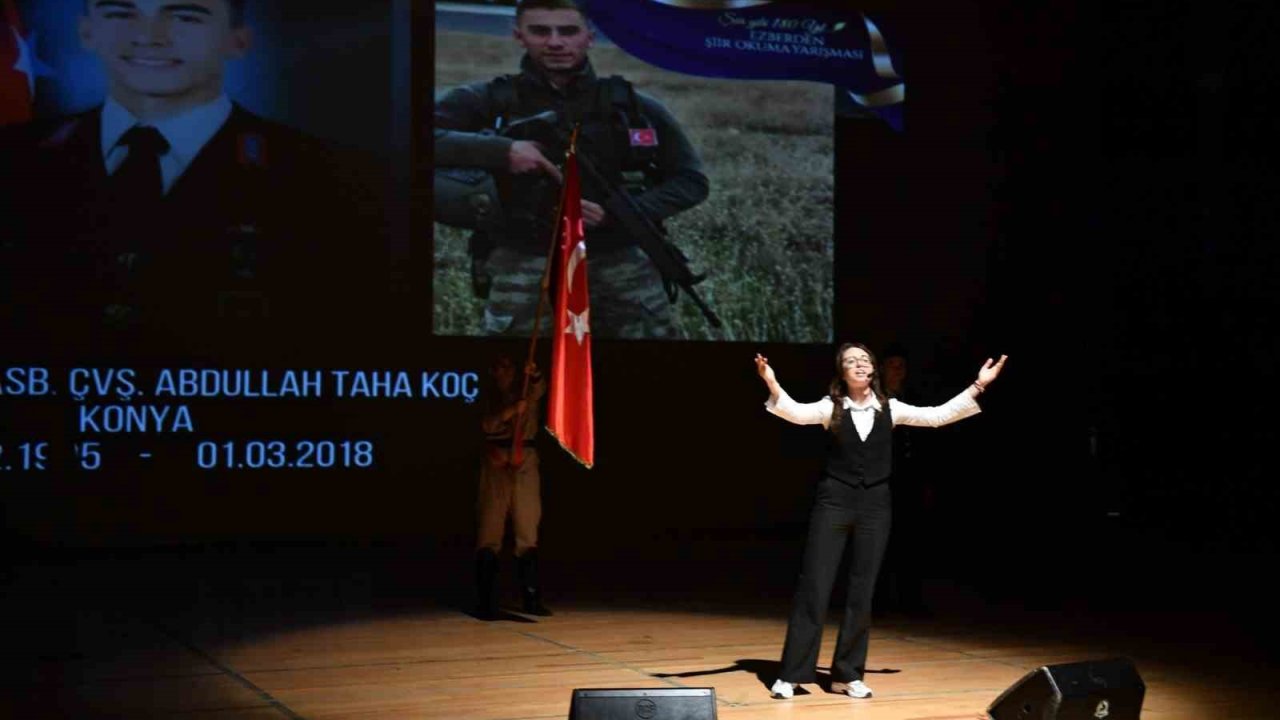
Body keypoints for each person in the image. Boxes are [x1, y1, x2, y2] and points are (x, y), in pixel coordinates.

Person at [0, 0, 380, 354]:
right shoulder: (13, 158)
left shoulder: (326, 174)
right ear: (87, 32)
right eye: (121, 13)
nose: (149, 37)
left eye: (185, 16)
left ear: (238, 40)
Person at [434, 0, 710, 339]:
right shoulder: (486, 99)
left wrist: (616, 214)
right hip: (523, 259)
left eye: (568, 31)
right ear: (519, 35)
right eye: (540, 31)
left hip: (620, 262)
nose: (555, 42)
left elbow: (692, 181)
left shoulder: (633, 105)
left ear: (589, 36)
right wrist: (502, 151)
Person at [754, 344, 1007, 699]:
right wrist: (772, 382)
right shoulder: (832, 408)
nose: (859, 364)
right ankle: (793, 673)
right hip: (834, 502)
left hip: (875, 504)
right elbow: (794, 412)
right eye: (850, 361)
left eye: (864, 360)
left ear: (873, 369)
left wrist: (978, 386)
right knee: (815, 585)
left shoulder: (892, 408)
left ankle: (847, 674)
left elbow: (936, 416)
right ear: (841, 373)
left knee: (863, 588)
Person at [475, 353, 551, 619]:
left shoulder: (526, 391)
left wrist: (536, 372)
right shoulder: (485, 396)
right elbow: (487, 424)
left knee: (527, 529)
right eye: (498, 366)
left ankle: (531, 598)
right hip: (496, 464)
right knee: (490, 529)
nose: (503, 371)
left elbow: (540, 388)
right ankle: (486, 602)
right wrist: (510, 411)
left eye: (507, 366)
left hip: (524, 463)